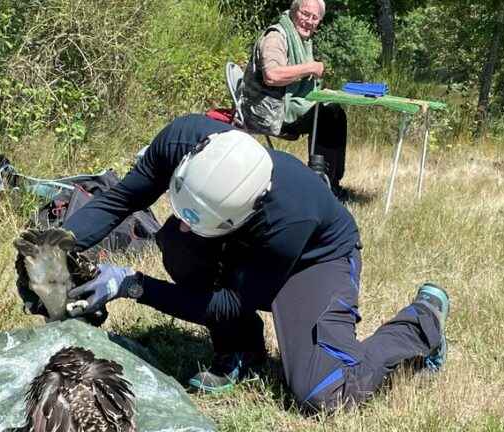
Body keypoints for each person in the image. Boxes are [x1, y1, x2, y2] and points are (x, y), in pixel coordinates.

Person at [54, 114, 450, 413]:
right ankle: (240, 348)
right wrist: (54, 248)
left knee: (324, 391)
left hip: (314, 260)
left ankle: (421, 322)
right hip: (244, 240)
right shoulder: (183, 140)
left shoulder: (292, 214)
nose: (191, 231)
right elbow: (122, 199)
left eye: (202, 225)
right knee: (177, 241)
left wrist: (132, 284)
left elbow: (231, 302)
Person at [240, 0, 349, 200]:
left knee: (334, 111)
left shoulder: (302, 40)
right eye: (305, 14)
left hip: (284, 107)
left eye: (314, 18)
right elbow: (272, 76)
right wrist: (310, 67)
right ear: (293, 11)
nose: (309, 21)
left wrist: (323, 93)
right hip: (266, 112)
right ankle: (321, 185)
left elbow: (298, 85)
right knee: (327, 116)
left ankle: (330, 181)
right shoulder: (276, 37)